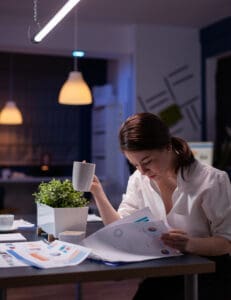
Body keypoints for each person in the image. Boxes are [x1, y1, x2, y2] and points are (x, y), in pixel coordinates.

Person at [90, 112, 231, 300]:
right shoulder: (139, 180)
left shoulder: (212, 181)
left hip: (208, 272)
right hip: (167, 271)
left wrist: (189, 244)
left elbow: (226, 243)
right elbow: (118, 229)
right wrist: (97, 192)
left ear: (167, 147)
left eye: (147, 162)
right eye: (135, 164)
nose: (143, 171)